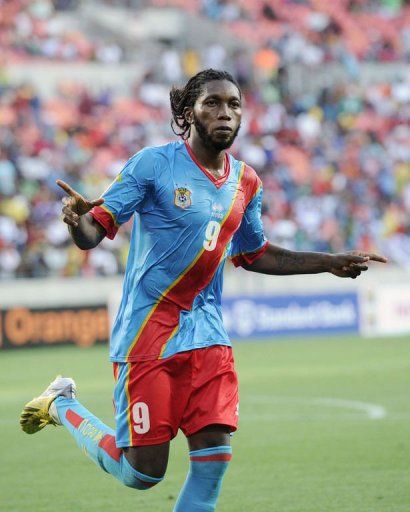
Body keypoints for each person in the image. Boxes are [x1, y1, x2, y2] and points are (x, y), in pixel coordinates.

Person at [20, 69, 387, 511]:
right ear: (188, 112)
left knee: (213, 462)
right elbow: (92, 234)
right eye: (213, 102)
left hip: (209, 337)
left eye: (234, 105)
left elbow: (254, 254)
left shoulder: (246, 182)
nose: (225, 113)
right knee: (142, 473)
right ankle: (63, 404)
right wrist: (77, 221)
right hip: (148, 335)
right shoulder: (153, 164)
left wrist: (329, 263)